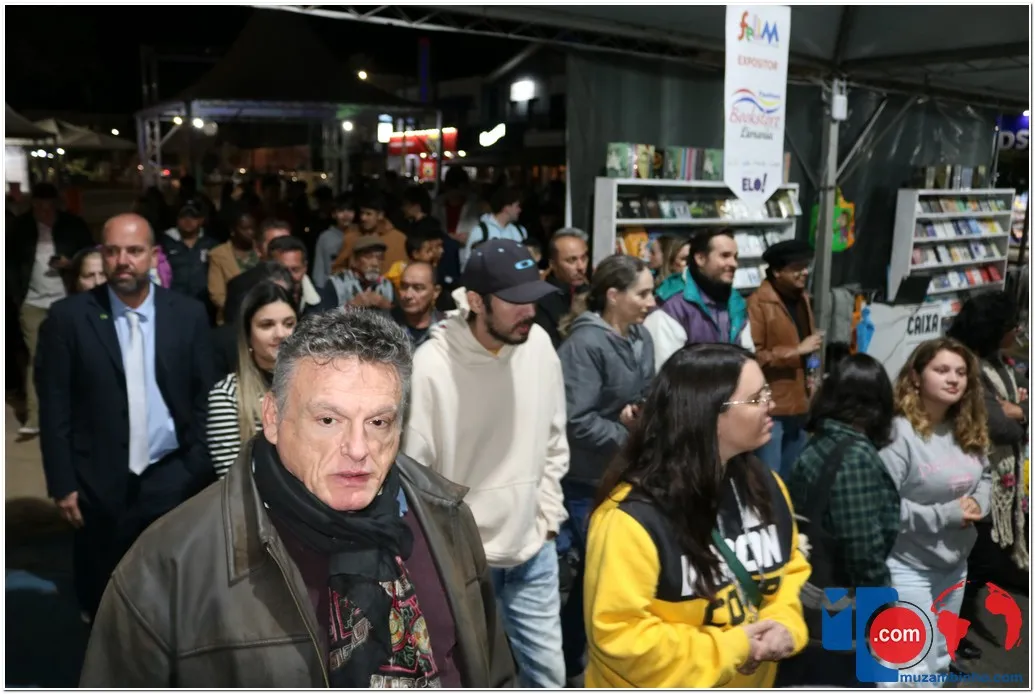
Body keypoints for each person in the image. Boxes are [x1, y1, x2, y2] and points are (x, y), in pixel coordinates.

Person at [79, 309, 515, 688]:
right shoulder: (167, 565)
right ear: (272, 417)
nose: (358, 448)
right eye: (328, 420)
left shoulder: (445, 517)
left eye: (379, 422)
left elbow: (493, 672)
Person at [583, 343, 811, 687]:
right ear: (708, 415)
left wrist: (785, 625)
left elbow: (789, 570)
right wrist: (733, 648)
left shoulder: (766, 485)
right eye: (756, 399)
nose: (772, 405)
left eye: (767, 392)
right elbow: (620, 636)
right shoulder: (630, 519)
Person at [404, 239, 570, 688]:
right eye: (515, 301)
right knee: (473, 678)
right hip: (464, 563)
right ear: (476, 302)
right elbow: (414, 474)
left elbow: (555, 438)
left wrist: (547, 517)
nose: (529, 312)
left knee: (549, 678)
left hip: (534, 546)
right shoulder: (432, 366)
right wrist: (445, 552)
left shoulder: (539, 346)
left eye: (533, 299)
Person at [35, 213, 217, 621]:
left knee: (171, 588)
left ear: (153, 255)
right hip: (97, 479)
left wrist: (197, 466)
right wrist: (63, 482)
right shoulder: (69, 318)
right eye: (113, 251)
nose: (122, 261)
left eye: (134, 251)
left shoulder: (186, 314)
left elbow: (204, 396)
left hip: (172, 473)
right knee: (103, 596)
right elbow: (55, 406)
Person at [555, 254, 656, 683]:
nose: (652, 302)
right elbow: (575, 420)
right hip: (586, 481)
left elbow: (645, 392)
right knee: (599, 575)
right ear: (614, 295)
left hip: (624, 473)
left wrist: (642, 415)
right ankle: (575, 662)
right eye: (643, 293)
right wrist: (626, 432)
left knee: (594, 579)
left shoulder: (641, 337)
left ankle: (575, 657)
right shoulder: (585, 346)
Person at [878, 338, 992, 684]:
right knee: (906, 666)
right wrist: (945, 515)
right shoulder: (897, 434)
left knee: (940, 658)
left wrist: (980, 502)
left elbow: (986, 476)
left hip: (954, 565)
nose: (953, 379)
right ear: (915, 376)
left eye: (960, 372)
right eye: (941, 370)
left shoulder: (968, 425)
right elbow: (881, 506)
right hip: (904, 567)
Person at [946, 294, 1029, 660]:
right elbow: (998, 425)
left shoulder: (997, 362)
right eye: (1013, 327)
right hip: (972, 478)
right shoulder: (969, 369)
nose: (1018, 333)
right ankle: (951, 633)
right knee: (976, 562)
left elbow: (1012, 409)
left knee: (978, 562)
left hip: (995, 477)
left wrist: (1018, 409)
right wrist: (1019, 415)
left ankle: (955, 628)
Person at [788, 353, 899, 588]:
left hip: (813, 584)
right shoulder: (854, 456)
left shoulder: (822, 439)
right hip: (842, 596)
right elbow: (861, 549)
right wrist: (881, 600)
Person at [9, 182, 94, 438]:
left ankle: (77, 411)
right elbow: (9, 263)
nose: (44, 212)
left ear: (56, 205)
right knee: (37, 358)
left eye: (48, 207)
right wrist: (16, 297)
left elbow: (90, 255)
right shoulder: (20, 228)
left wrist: (71, 263)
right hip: (33, 303)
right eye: (39, 207)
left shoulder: (73, 225)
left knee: (74, 355)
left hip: (66, 301)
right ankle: (35, 417)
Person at [206, 282, 298, 478]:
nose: (280, 334)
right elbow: (232, 480)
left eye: (289, 324)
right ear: (248, 335)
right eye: (267, 325)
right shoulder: (227, 395)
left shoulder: (317, 386)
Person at [747, 240, 821, 478]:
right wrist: (796, 350)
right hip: (772, 406)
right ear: (777, 271)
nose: (805, 272)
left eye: (806, 266)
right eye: (797, 268)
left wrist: (813, 372)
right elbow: (754, 356)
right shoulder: (758, 303)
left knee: (793, 477)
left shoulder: (802, 298)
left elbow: (810, 346)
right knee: (769, 478)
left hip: (800, 404)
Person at [645, 228, 749, 371]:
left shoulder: (736, 303)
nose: (734, 264)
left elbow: (748, 358)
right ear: (700, 259)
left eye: (735, 257)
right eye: (725, 256)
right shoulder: (672, 305)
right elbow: (664, 373)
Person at [222, 219, 293, 323]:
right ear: (258, 249)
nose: (282, 250)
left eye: (288, 243)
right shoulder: (240, 287)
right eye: (274, 244)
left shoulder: (304, 284)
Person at [160, 198, 219, 311]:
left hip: (205, 304)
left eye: (193, 217)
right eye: (183, 216)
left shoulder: (212, 244)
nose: (188, 220)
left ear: (201, 220)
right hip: (173, 302)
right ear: (177, 219)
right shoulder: (164, 243)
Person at [535, 228, 590, 347]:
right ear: (553, 264)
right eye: (572, 260)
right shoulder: (541, 300)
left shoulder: (591, 291)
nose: (581, 267)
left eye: (584, 258)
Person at [330, 194, 408, 272]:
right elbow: (337, 268)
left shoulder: (398, 239)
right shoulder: (352, 237)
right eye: (362, 213)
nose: (363, 218)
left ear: (380, 215)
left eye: (368, 214)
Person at [207, 212, 258, 323]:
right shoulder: (218, 254)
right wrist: (243, 310)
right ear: (233, 231)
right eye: (245, 229)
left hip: (263, 315)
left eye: (253, 228)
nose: (250, 232)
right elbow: (217, 293)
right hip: (231, 318)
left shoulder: (262, 250)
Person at [323, 235, 395, 310]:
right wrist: (351, 306)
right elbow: (324, 315)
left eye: (380, 258)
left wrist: (387, 306)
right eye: (368, 257)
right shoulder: (337, 283)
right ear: (355, 260)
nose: (375, 263)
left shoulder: (386, 285)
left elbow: (398, 314)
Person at [462, 186, 527, 266]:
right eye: (517, 206)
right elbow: (468, 263)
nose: (520, 210)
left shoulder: (520, 231)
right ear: (506, 207)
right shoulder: (481, 231)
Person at [391, 262, 444, 348]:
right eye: (404, 286)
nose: (408, 295)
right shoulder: (382, 326)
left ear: (436, 291)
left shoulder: (446, 329)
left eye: (418, 288)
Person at [311, 194, 355, 289]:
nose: (346, 215)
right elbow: (319, 268)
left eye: (350, 210)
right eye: (341, 211)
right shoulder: (325, 237)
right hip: (331, 287)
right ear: (334, 214)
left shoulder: (359, 235)